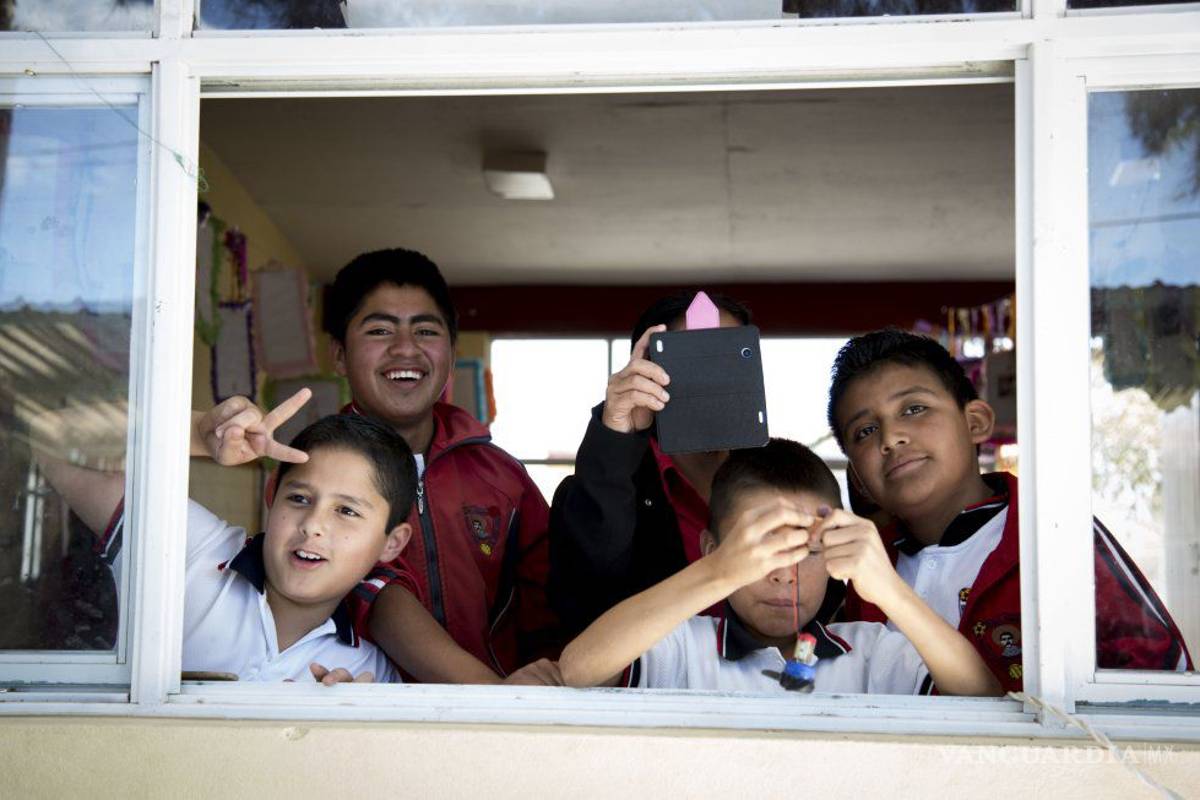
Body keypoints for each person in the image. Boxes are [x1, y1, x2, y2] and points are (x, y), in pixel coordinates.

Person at [198, 249, 558, 683]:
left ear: (451, 350)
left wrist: (540, 694)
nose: (405, 348)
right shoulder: (312, 470)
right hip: (362, 694)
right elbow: (371, 594)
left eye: (426, 330)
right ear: (339, 355)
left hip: (503, 704)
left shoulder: (502, 476)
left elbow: (550, 598)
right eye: (380, 330)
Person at [827, 329, 1193, 692]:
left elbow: (1166, 684)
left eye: (914, 409)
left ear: (975, 423)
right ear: (858, 478)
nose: (891, 438)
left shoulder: (1051, 533)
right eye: (865, 431)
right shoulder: (863, 570)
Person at [555, 439, 1001, 697]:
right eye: (762, 551)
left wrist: (890, 591)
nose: (785, 574)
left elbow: (984, 699)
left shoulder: (871, 653)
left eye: (808, 551)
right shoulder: (683, 648)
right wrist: (716, 574)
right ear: (713, 550)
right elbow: (577, 670)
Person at [38, 414, 414, 684]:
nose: (312, 524)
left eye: (346, 511)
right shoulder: (192, 546)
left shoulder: (368, 674)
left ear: (391, 543)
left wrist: (346, 724)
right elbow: (44, 437)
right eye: (299, 498)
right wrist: (199, 433)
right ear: (272, 495)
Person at [551, 291, 812, 637]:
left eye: (729, 354)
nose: (713, 377)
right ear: (647, 371)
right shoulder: (601, 487)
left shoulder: (783, 478)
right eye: (695, 358)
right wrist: (617, 433)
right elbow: (585, 592)